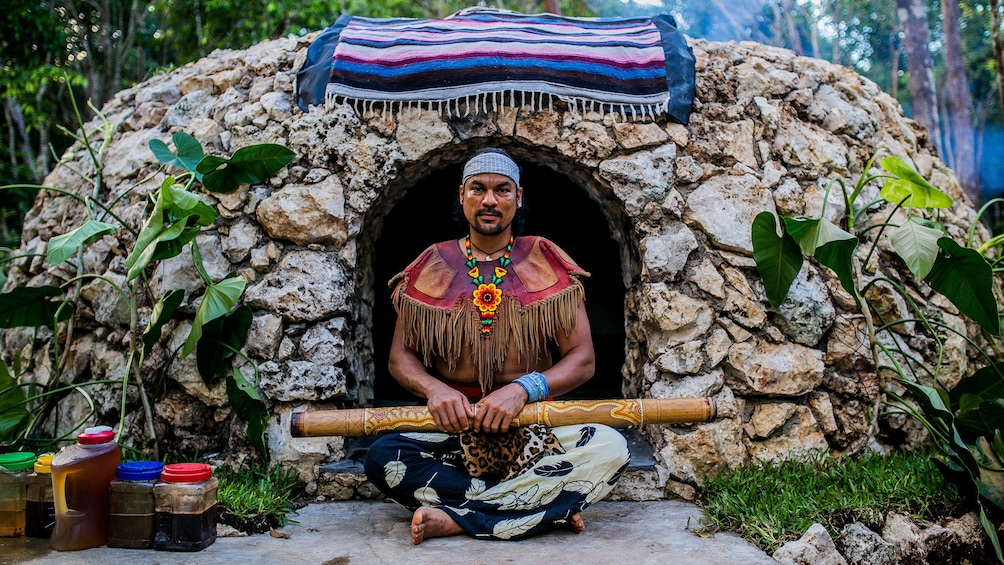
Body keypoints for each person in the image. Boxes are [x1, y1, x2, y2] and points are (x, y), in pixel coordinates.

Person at [364, 147, 630, 544]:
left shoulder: (547, 260)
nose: (489, 200)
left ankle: (457, 519)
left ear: (518, 198)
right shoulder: (431, 263)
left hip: (535, 430)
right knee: (383, 457)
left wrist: (522, 390)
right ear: (462, 195)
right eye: (479, 189)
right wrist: (436, 390)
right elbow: (401, 358)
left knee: (612, 447)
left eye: (502, 190)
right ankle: (541, 512)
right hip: (455, 431)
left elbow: (583, 360)